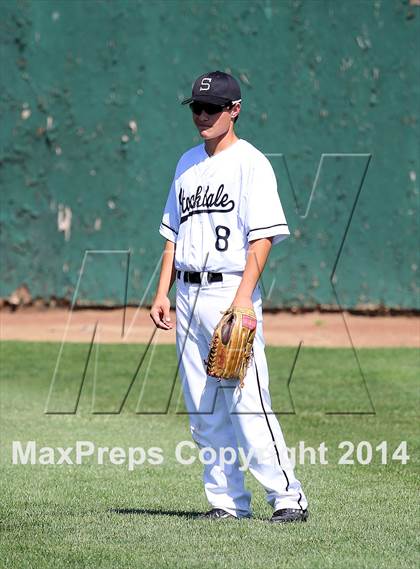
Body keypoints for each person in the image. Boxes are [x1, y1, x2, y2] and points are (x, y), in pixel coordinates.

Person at [150, 70, 308, 523]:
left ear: (233, 110)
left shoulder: (251, 163)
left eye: (212, 108)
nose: (202, 116)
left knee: (247, 403)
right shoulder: (186, 163)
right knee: (203, 409)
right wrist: (162, 292)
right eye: (197, 108)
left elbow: (262, 239)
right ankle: (226, 502)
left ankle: (287, 497)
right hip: (186, 295)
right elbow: (171, 236)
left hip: (229, 293)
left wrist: (242, 300)